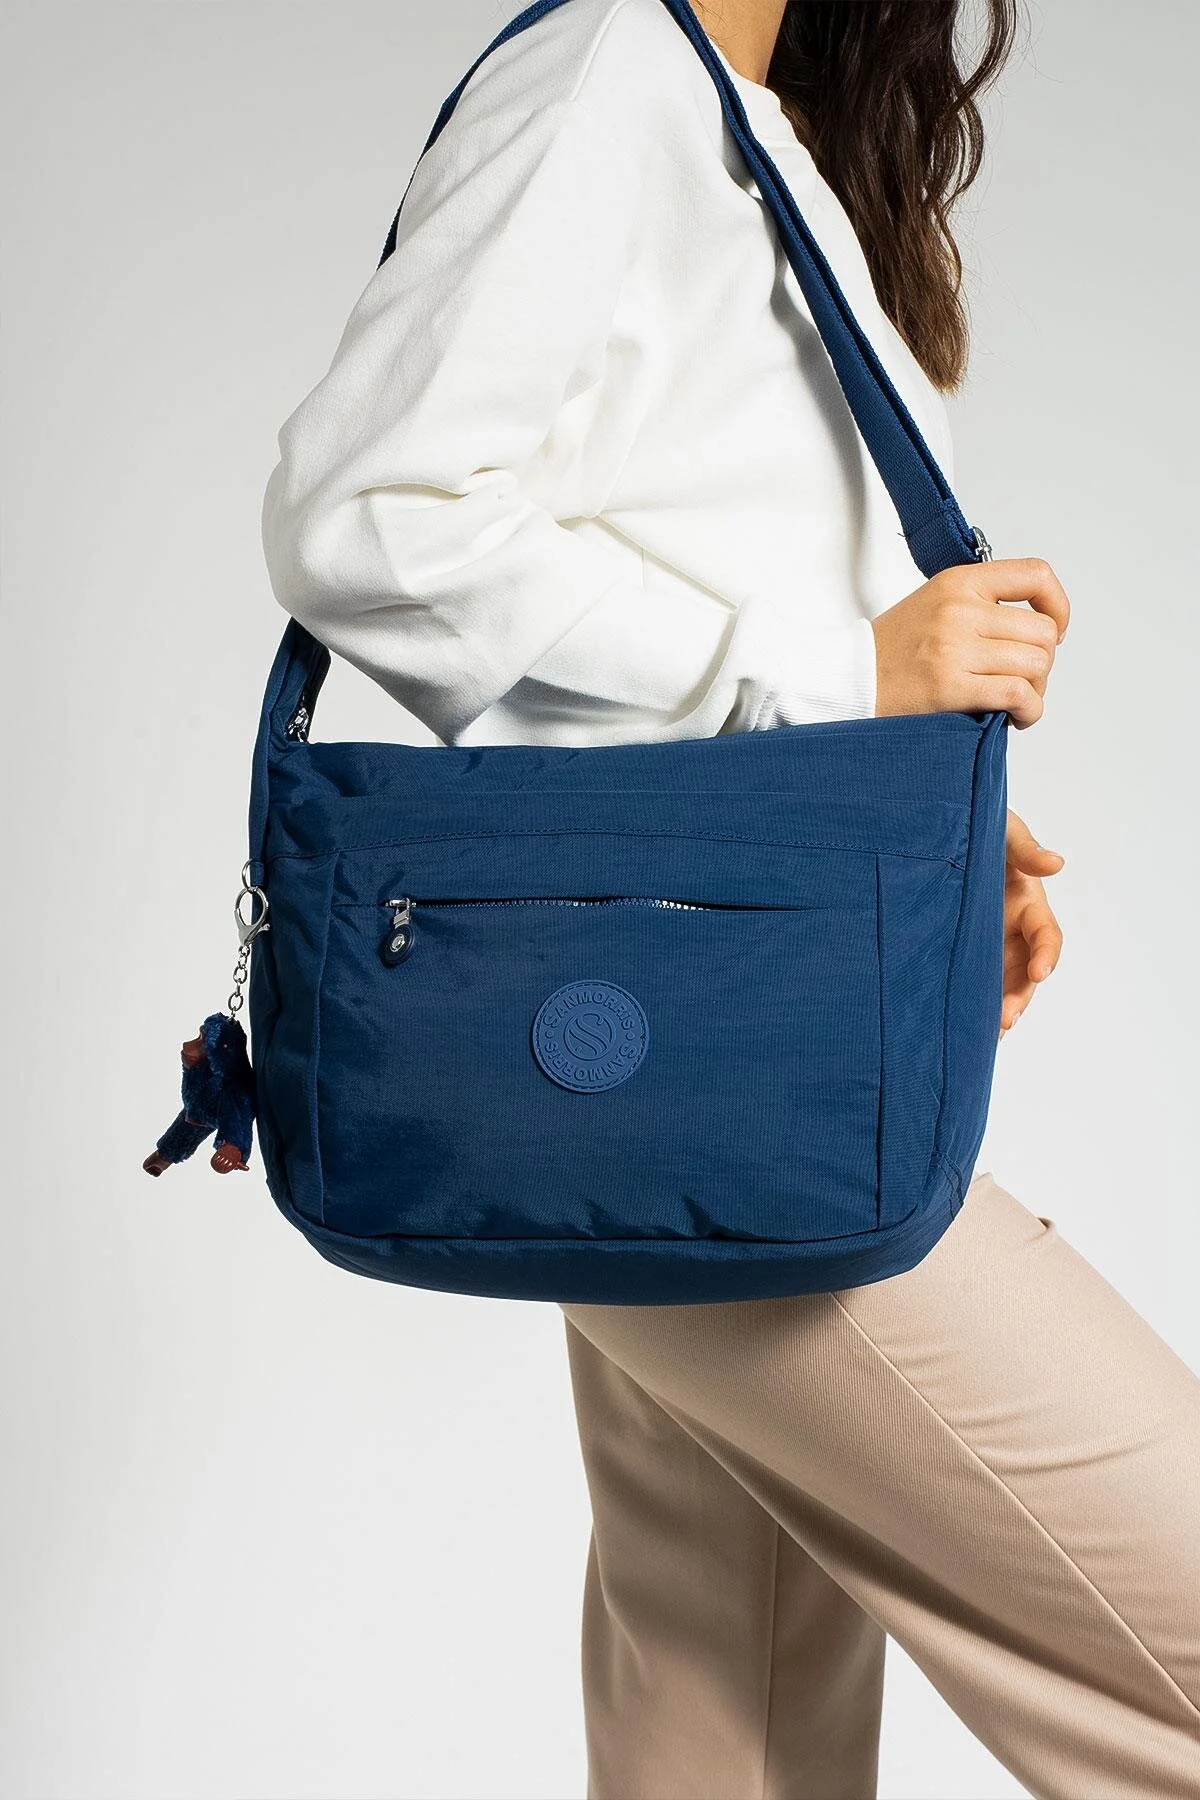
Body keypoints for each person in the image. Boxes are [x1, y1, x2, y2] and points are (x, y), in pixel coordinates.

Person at [259, 0, 1200, 1792]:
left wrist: (916, 833)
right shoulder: (616, 68)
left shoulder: (746, 122)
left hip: (711, 1051)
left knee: (722, 1737)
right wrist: (837, 676)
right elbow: (366, 515)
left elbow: (696, 557)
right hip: (696, 1070)